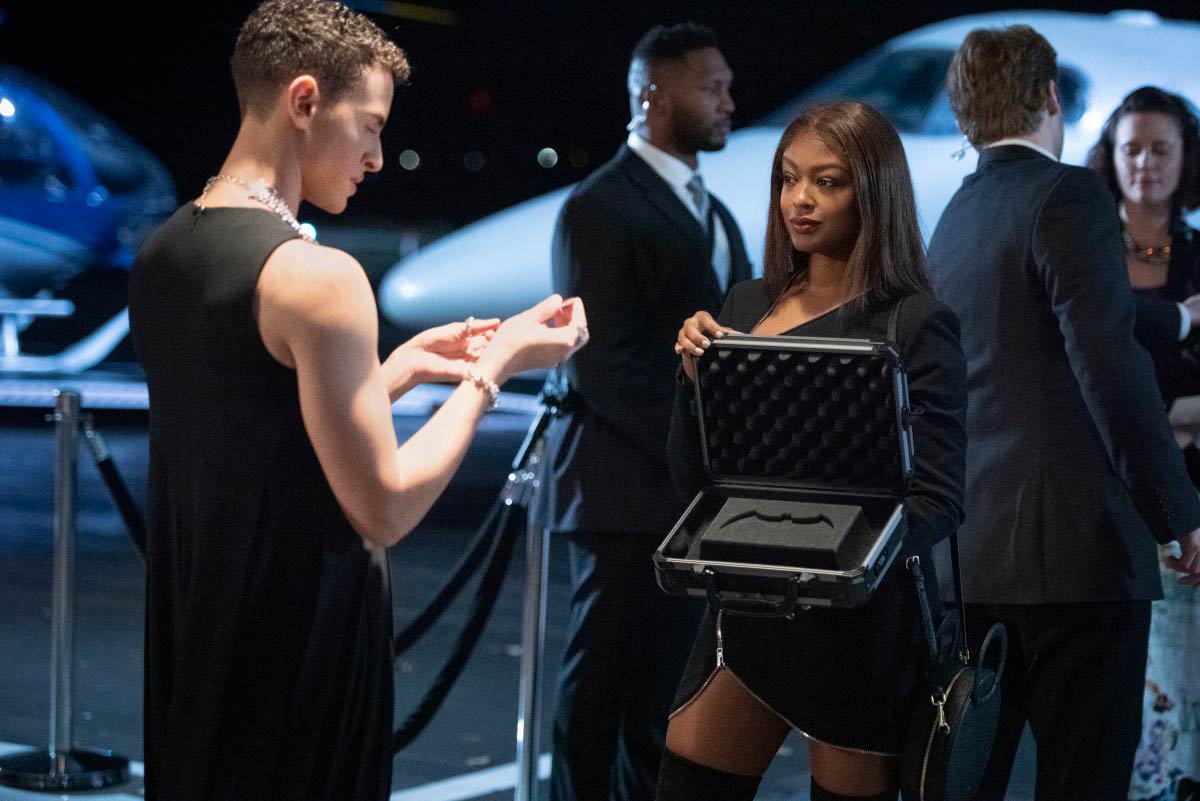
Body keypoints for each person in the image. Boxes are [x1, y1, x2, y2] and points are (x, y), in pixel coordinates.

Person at [126, 2, 588, 799]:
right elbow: (385, 505)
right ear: (304, 101)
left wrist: (395, 370)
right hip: (298, 654)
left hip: (198, 646)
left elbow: (255, 429)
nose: (376, 156)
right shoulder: (320, 278)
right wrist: (496, 367)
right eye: (370, 126)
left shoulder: (164, 251)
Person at [658, 100, 967, 801]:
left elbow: (940, 498)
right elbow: (694, 483)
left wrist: (847, 555)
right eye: (789, 178)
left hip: (858, 626)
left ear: (873, 192)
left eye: (827, 182)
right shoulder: (744, 305)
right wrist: (692, 385)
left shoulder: (915, 322)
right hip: (746, 609)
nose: (800, 199)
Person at [926, 26, 1200, 801]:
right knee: (1085, 780)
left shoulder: (956, 215)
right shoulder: (1069, 195)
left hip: (974, 557)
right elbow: (1109, 367)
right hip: (1078, 562)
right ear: (1050, 97)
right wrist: (1177, 512)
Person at [547, 21, 752, 801]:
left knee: (663, 698)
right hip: (619, 492)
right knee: (598, 692)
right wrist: (705, 448)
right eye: (712, 87)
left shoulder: (715, 211)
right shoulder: (597, 206)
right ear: (653, 98)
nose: (728, 101)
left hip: (684, 499)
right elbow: (603, 365)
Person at [1086, 85, 1200, 801]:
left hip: (1188, 497)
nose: (1145, 163)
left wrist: (1172, 415)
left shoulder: (1196, 253)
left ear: (1187, 157)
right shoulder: (1086, 252)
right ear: (1110, 155)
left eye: (1161, 148)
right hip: (1100, 500)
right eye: (1131, 148)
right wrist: (1172, 415)